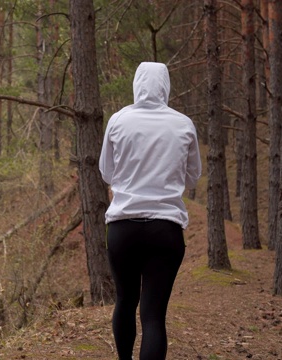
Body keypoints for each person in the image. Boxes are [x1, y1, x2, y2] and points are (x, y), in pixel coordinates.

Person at [99, 62, 201, 360]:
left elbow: (107, 172)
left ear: (136, 84)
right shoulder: (183, 124)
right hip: (165, 230)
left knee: (124, 300)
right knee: (154, 315)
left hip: (123, 228)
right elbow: (193, 177)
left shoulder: (118, 120)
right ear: (166, 86)